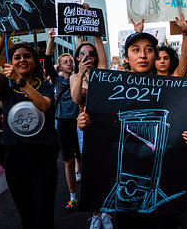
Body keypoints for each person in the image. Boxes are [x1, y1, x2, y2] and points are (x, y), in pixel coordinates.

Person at [77, 15, 187, 229]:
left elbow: (182, 118)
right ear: (125, 57)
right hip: (126, 194)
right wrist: (86, 122)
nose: (142, 55)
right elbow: (102, 123)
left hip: (163, 183)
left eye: (149, 50)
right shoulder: (110, 86)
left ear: (155, 55)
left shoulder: (171, 86)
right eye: (135, 50)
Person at [0, 34, 60, 228]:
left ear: (35, 63)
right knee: (27, 217)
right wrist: (2, 38)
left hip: (43, 157)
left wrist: (20, 81)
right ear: (11, 63)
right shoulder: (5, 89)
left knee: (44, 217)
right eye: (17, 57)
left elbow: (43, 105)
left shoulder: (46, 86)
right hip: (15, 157)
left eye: (27, 56)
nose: (22, 60)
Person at [70, 31, 111, 229]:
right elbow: (76, 99)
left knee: (106, 169)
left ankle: (106, 212)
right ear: (78, 57)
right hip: (84, 126)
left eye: (92, 54)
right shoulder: (74, 77)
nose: (88, 56)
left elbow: (100, 49)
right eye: (84, 53)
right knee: (89, 171)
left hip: (104, 124)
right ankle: (96, 213)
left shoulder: (102, 72)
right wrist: (81, 75)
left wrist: (95, 30)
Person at [45, 29, 81, 211]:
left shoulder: (79, 79)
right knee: (68, 159)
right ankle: (73, 196)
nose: (69, 63)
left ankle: (81, 174)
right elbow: (48, 59)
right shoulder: (57, 81)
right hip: (63, 122)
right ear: (60, 67)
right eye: (65, 62)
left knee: (82, 156)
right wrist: (51, 39)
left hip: (80, 123)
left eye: (71, 61)